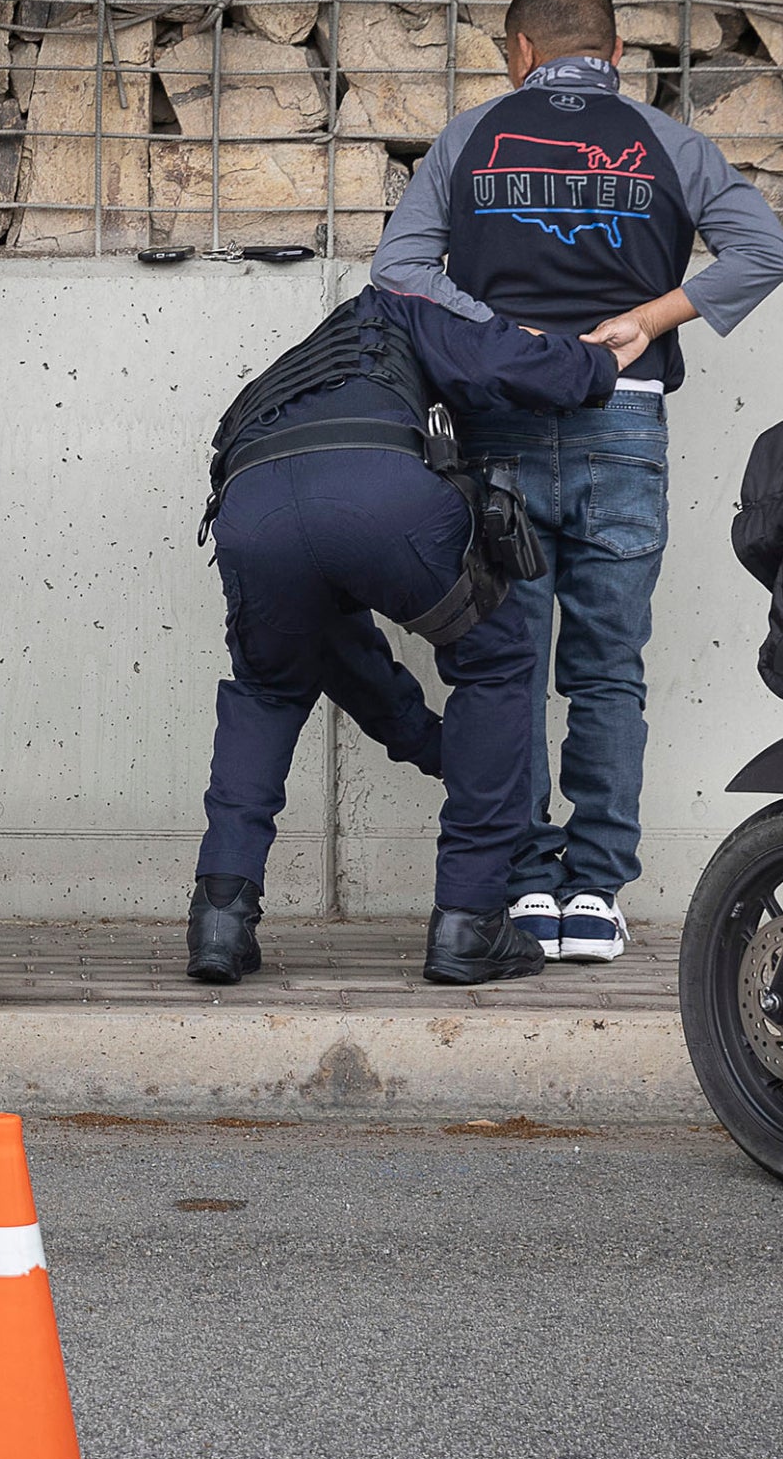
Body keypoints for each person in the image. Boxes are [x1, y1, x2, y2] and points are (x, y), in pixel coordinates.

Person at [370, 0, 783, 964]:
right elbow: (763, 252)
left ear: (518, 52)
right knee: (609, 670)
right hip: (625, 420)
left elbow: (399, 271)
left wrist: (503, 332)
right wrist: (649, 319)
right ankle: (595, 894)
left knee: (508, 668)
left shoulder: (469, 137)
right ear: (614, 53)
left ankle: (526, 887)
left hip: (499, 424)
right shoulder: (670, 143)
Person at [191, 284, 635, 987]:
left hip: (252, 509)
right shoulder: (396, 309)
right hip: (382, 491)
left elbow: (347, 660)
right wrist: (600, 363)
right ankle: (470, 919)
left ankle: (219, 920)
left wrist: (439, 749)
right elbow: (504, 362)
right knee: (495, 663)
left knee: (268, 691)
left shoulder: (289, 373)